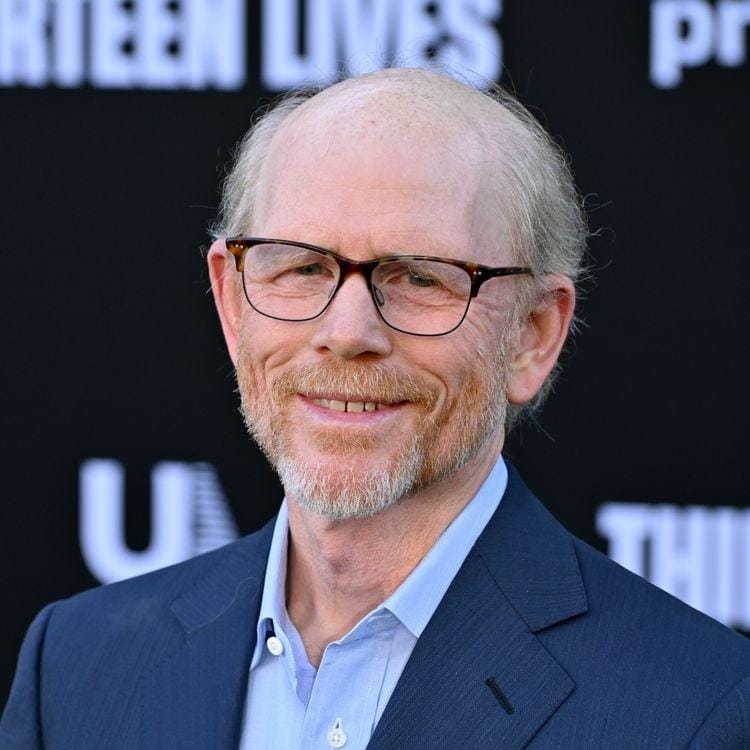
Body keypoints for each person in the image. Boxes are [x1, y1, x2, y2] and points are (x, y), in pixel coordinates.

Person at [2, 67, 750, 750]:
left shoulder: (697, 712)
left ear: (532, 335)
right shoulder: (74, 667)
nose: (349, 332)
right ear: (231, 304)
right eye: (302, 266)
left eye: (420, 277)